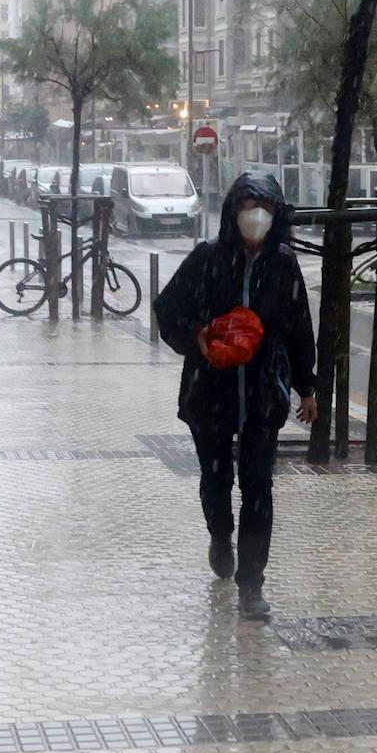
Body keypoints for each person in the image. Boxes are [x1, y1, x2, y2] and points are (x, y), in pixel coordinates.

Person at [154, 171, 317, 617]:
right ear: (232, 212)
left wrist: (307, 386)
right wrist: (198, 337)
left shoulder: (283, 264)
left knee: (259, 486)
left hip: (263, 392)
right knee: (216, 477)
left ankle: (252, 584)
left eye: (263, 208)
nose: (255, 217)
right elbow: (168, 309)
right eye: (247, 208)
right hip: (211, 390)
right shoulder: (207, 258)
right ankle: (220, 535)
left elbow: (300, 326)